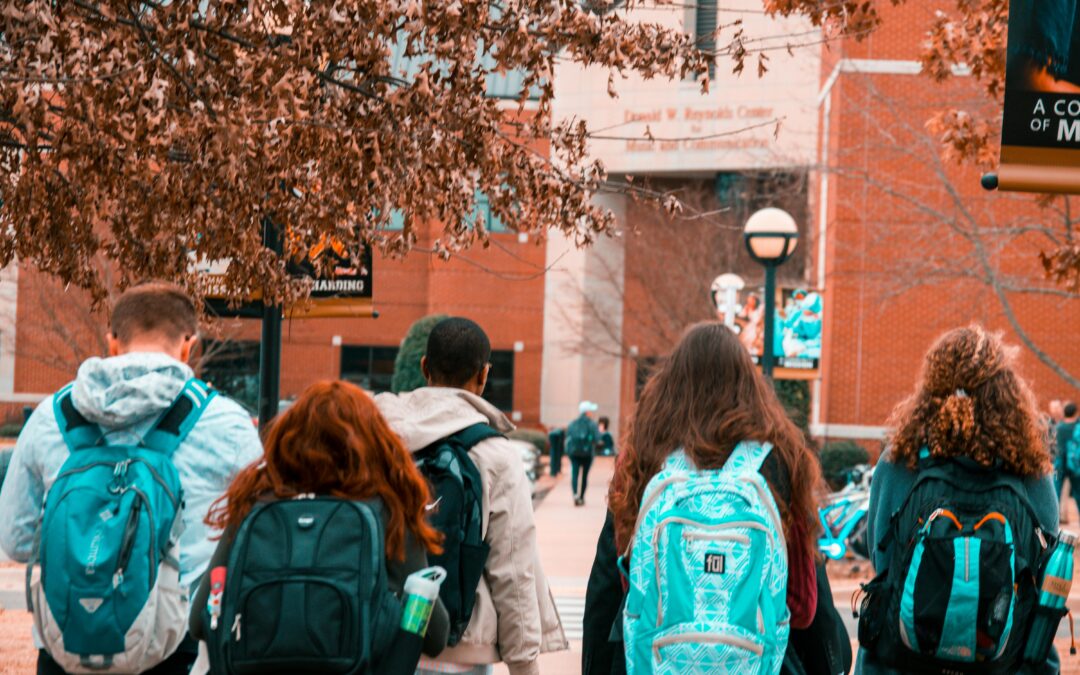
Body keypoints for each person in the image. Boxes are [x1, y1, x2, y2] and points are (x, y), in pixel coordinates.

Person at [0, 281, 262, 675]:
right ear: (190, 345)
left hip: (66, 649)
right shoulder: (226, 423)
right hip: (176, 652)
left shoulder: (50, 418)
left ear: (112, 341)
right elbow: (256, 539)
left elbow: (16, 541)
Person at [601, 322, 825, 673]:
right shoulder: (781, 460)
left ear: (670, 384)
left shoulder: (641, 457)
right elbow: (802, 607)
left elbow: (615, 583)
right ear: (749, 385)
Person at [189, 381, 450, 670]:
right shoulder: (387, 511)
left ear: (288, 439)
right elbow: (435, 636)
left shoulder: (256, 505)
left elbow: (201, 619)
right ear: (372, 442)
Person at [857, 326, 1060, 674]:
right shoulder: (1030, 469)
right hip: (1005, 662)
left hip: (902, 661)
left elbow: (883, 558)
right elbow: (1044, 571)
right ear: (1007, 390)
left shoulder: (900, 460)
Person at [375, 317, 566, 675]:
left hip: (384, 641)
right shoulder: (495, 454)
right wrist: (524, 664)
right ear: (483, 375)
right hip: (463, 651)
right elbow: (513, 567)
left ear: (424, 367)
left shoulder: (379, 440)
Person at [566, 401, 601, 506]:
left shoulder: (573, 423)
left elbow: (568, 437)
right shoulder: (592, 424)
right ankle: (581, 497)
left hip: (574, 453)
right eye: (591, 411)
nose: (592, 413)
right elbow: (597, 438)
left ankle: (575, 495)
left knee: (575, 474)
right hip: (587, 454)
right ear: (587, 412)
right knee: (584, 476)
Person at [1058, 401, 1079, 519]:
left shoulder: (1059, 427)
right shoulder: (1077, 427)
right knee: (1078, 496)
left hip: (1060, 466)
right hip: (1075, 466)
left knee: (1057, 495)